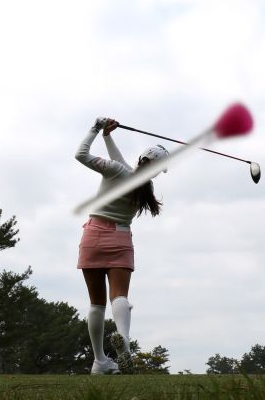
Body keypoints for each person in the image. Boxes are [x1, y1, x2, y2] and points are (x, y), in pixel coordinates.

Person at [74, 117, 169, 375]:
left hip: (93, 235)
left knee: (96, 304)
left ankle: (99, 361)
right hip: (120, 238)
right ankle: (123, 341)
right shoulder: (144, 189)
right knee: (119, 296)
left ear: (141, 159)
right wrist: (107, 136)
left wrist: (95, 128)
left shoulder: (117, 171)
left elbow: (80, 154)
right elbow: (122, 165)